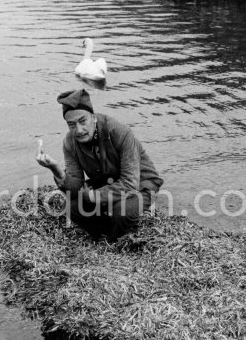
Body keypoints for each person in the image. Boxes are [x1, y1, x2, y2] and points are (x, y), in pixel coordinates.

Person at [36, 89, 163, 240]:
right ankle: (106, 234)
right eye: (71, 125)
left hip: (141, 184)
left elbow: (130, 183)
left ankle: (115, 236)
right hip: (105, 184)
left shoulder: (120, 132)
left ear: (94, 118)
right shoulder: (70, 142)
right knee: (72, 207)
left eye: (83, 121)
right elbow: (75, 187)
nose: (79, 130)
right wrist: (56, 170)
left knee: (122, 211)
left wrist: (92, 195)